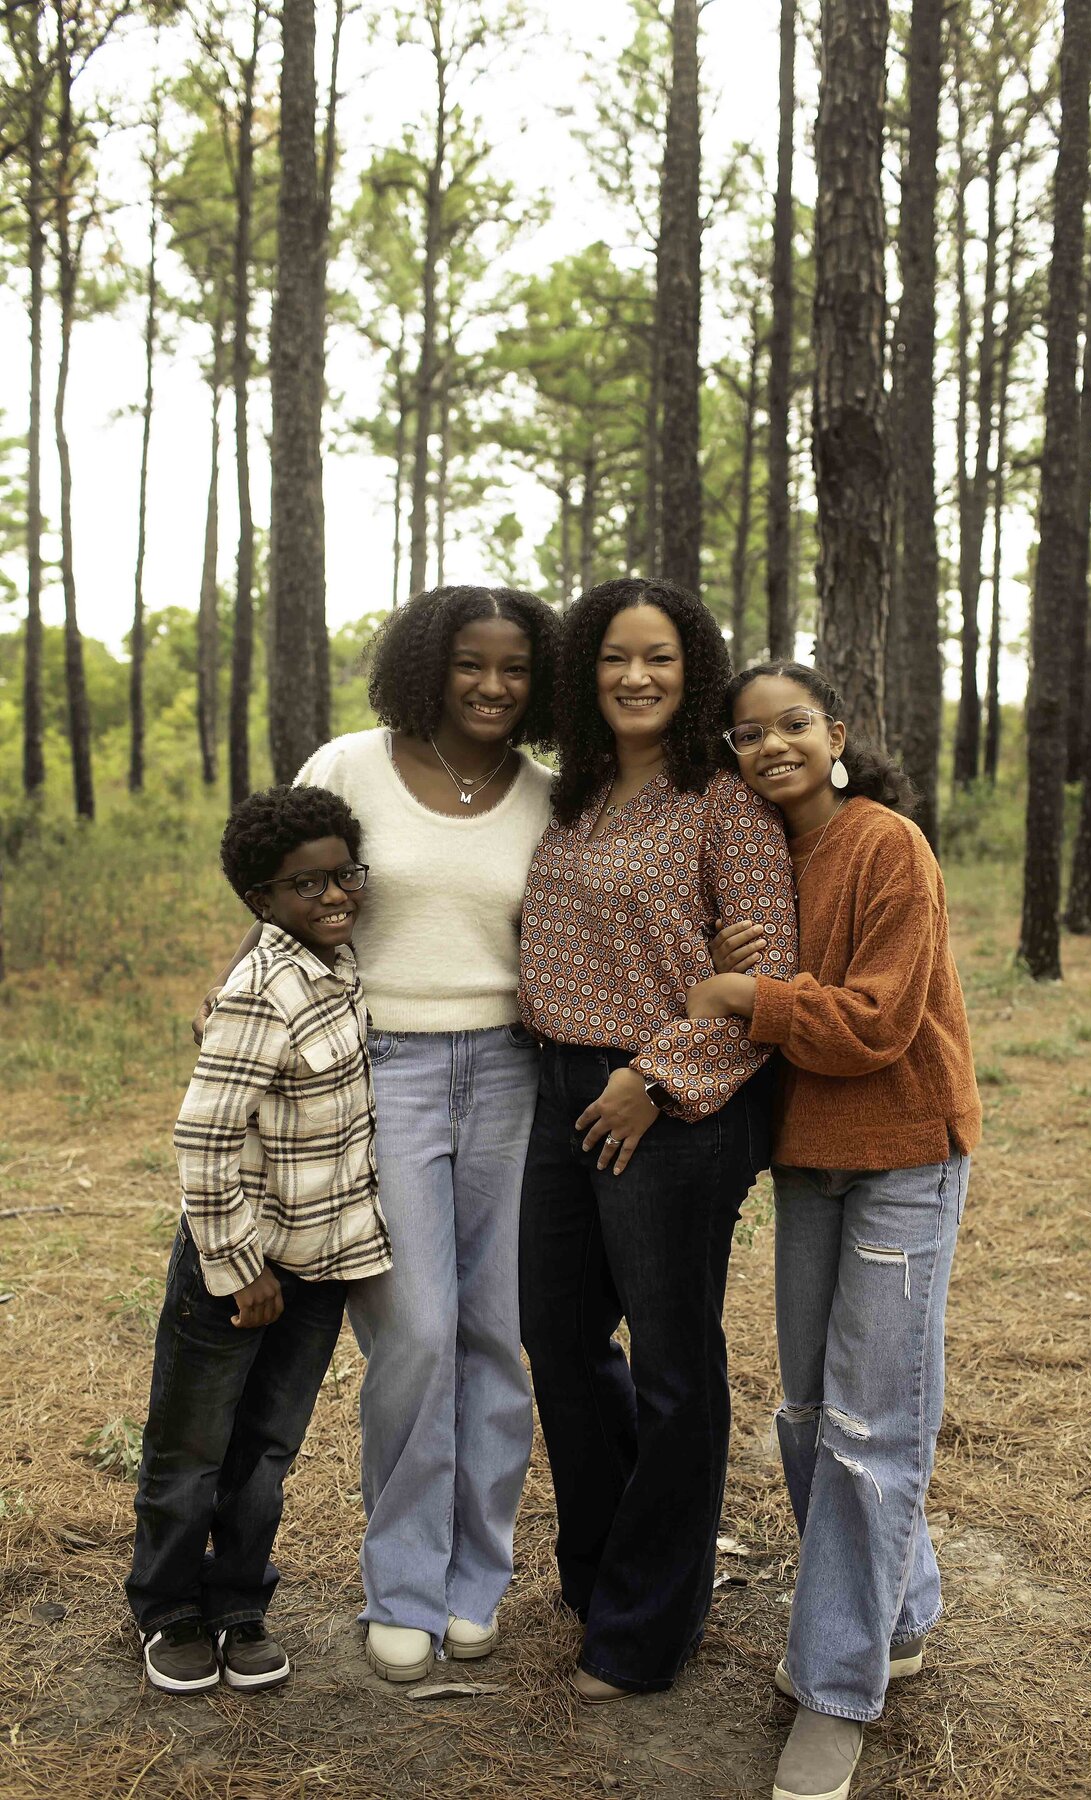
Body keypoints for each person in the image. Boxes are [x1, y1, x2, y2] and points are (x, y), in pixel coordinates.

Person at [197, 585, 560, 1683]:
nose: (492, 686)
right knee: (413, 1332)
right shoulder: (349, 765)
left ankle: (473, 1579)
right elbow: (284, 902)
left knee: (497, 1334)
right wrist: (240, 1029)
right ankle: (401, 1578)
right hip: (377, 1069)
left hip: (512, 1070)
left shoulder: (550, 793)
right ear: (427, 667)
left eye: (513, 668)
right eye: (469, 664)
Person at [685, 661, 981, 1800]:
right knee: (809, 1416)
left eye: (793, 725)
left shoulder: (886, 843)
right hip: (808, 1161)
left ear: (838, 732)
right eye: (749, 735)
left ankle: (836, 1688)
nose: (772, 747)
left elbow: (874, 1022)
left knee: (872, 1422)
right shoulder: (756, 861)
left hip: (905, 1153)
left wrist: (743, 996)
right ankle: (899, 1611)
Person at [517, 577, 800, 1703]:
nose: (637, 677)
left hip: (676, 1109)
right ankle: (606, 1577)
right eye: (615, 658)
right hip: (557, 1093)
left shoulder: (723, 800)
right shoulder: (571, 797)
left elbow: (768, 978)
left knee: (674, 1370)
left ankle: (646, 1629)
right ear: (586, 670)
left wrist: (656, 1075)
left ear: (694, 673)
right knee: (565, 1344)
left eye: (662, 658)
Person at [128, 785, 392, 1695]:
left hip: (317, 1269)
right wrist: (239, 1270)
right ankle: (166, 1611)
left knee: (268, 1451)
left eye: (343, 875)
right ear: (261, 901)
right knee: (191, 1450)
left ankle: (240, 1603)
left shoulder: (344, 966)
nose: (333, 896)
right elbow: (202, 1138)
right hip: (238, 1270)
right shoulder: (260, 992)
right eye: (305, 885)